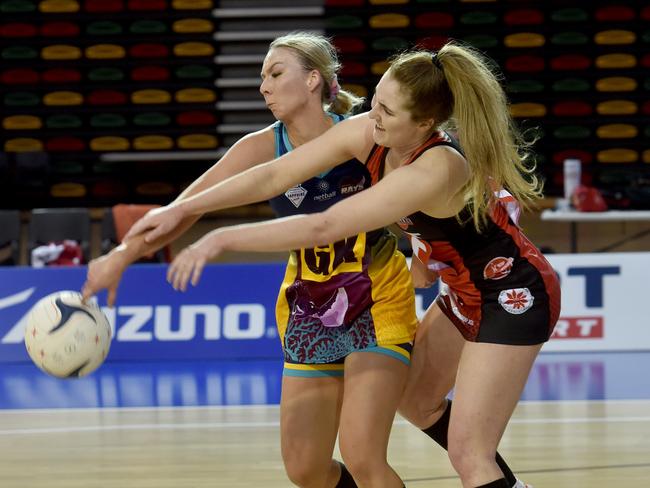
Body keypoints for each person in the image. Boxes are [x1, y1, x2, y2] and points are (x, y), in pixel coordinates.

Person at [126, 41, 558, 488]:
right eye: (374, 102)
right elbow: (276, 174)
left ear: (425, 124)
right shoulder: (371, 134)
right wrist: (184, 209)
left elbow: (324, 226)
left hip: (513, 295)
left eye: (387, 113)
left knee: (470, 454)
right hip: (463, 290)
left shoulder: (435, 168)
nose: (373, 117)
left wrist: (220, 238)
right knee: (416, 402)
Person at [83, 32, 417, 488]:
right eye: (262, 78)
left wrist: (430, 250)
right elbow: (185, 208)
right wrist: (122, 256)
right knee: (304, 469)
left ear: (314, 79)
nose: (264, 87)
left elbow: (425, 169)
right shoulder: (261, 147)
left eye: (276, 74)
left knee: (363, 456)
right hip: (309, 306)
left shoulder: (366, 128)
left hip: (377, 296)